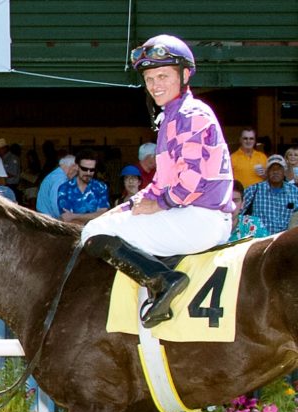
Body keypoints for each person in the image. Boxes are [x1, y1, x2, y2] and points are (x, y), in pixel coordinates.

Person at [81, 34, 234, 329]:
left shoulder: (190, 115)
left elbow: (191, 181)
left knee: (93, 233)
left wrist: (159, 204)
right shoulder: (173, 117)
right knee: (105, 222)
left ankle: (164, 282)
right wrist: (130, 206)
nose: (155, 85)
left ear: (185, 74)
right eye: (149, 79)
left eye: (163, 76)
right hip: (194, 215)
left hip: (199, 218)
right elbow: (162, 182)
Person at [241, 154, 298, 236]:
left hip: (285, 241)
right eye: (272, 169)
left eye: (279, 169)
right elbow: (237, 214)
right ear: (267, 172)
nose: (275, 172)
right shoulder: (253, 190)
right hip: (259, 241)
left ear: (284, 171)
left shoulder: (294, 191)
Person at [58, 152, 110, 224]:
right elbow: (66, 219)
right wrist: (92, 216)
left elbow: (103, 215)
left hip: (95, 233)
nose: (88, 173)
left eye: (92, 170)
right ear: (77, 167)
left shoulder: (101, 187)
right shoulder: (64, 188)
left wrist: (74, 216)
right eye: (84, 169)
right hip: (73, 233)